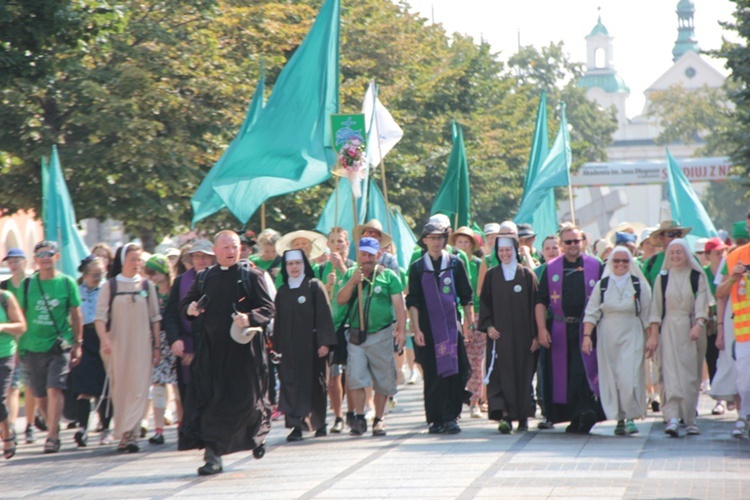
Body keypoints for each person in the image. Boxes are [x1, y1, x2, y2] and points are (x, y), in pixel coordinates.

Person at [179, 230, 274, 476]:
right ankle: (213, 457)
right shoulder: (204, 278)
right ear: (216, 251)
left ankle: (256, 436)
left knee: (247, 401)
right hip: (213, 353)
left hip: (245, 353)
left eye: (235, 247)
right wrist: (190, 308)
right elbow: (186, 304)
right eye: (226, 248)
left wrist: (249, 317)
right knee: (211, 403)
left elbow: (268, 307)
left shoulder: (251, 275)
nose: (231, 251)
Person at [535, 226, 605, 434]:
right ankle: (574, 416)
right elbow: (540, 300)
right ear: (561, 244)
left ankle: (587, 412)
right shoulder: (551, 268)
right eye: (568, 242)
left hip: (588, 329)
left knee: (584, 372)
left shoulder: (596, 266)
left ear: (583, 241)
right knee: (565, 374)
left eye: (577, 241)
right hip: (559, 329)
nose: (573, 245)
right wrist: (541, 329)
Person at [406, 220, 473, 434]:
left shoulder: (454, 263)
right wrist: (416, 330)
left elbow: (466, 297)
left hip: (452, 327)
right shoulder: (417, 267)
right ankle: (435, 418)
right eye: (432, 238)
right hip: (427, 328)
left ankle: (451, 417)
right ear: (424, 241)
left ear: (445, 239)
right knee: (433, 374)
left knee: (454, 370)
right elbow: (413, 301)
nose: (436, 242)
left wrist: (469, 325)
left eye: (439, 238)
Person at [95, 243, 161, 452]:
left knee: (140, 388)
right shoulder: (111, 286)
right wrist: (104, 340)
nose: (137, 263)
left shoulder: (146, 286)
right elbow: (99, 317)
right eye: (133, 259)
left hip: (142, 345)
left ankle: (132, 434)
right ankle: (123, 432)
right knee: (121, 389)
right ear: (123, 261)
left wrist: (157, 346)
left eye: (139, 259)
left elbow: (155, 318)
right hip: (117, 346)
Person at [19, 241, 83, 453]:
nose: (45, 257)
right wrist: (18, 347)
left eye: (49, 253)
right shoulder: (28, 284)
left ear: (56, 257)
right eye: (40, 254)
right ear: (35, 259)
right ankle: (51, 427)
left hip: (59, 345)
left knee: (55, 387)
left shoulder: (67, 283)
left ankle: (53, 436)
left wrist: (77, 342)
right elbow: (19, 314)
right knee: (40, 395)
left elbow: (75, 315)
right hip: (32, 345)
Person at [338, 237, 406, 436]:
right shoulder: (352, 273)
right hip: (356, 336)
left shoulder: (389, 277)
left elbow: (399, 306)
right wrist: (352, 282)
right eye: (363, 254)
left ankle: (379, 419)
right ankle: (359, 417)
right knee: (356, 377)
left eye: (370, 255)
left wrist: (401, 331)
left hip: (381, 334)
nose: (366, 259)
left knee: (383, 379)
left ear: (378, 255)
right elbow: (341, 300)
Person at [582, 246, 652, 436]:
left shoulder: (638, 284)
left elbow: (648, 314)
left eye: (624, 261)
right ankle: (620, 419)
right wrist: (587, 336)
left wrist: (652, 338)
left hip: (632, 333)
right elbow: (591, 312)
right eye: (616, 261)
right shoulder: (602, 285)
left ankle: (631, 417)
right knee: (613, 377)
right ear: (610, 263)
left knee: (629, 376)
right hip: (608, 335)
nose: (620, 264)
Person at [647, 239, 711, 437]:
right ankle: (672, 417)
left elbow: (702, 301)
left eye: (679, 252)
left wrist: (699, 324)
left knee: (690, 375)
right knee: (669, 372)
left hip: (690, 328)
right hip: (669, 329)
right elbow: (656, 308)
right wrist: (654, 335)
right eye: (672, 252)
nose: (675, 256)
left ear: (686, 254)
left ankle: (690, 418)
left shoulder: (696, 276)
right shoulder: (663, 278)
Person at [274, 250, 336, 441]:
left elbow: (324, 315)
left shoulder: (314, 286)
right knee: (291, 385)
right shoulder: (282, 291)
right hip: (289, 349)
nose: (294, 267)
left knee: (316, 386)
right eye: (290, 264)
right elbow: (278, 322)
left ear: (304, 265)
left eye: (297, 263)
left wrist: (325, 342)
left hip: (313, 347)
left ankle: (319, 423)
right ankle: (296, 426)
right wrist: (276, 347)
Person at [478, 235, 538, 433]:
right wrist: (489, 326)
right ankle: (504, 416)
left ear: (515, 251)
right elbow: (485, 304)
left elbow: (535, 307)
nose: (504, 254)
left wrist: (536, 335)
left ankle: (523, 417)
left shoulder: (527, 276)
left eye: (508, 250)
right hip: (500, 337)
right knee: (500, 375)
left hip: (524, 337)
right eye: (501, 251)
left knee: (523, 375)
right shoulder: (492, 275)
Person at [163, 240, 215, 404]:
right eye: (197, 256)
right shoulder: (180, 282)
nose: (201, 260)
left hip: (213, 347)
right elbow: (171, 314)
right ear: (191, 258)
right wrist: (175, 339)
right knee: (189, 399)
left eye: (205, 256)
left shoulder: (219, 278)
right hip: (187, 345)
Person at [69, 255, 113, 447]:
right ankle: (82, 428)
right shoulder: (77, 291)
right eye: (94, 274)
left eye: (101, 273)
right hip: (83, 338)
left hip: (104, 336)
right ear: (85, 275)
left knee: (105, 386)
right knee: (84, 387)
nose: (98, 277)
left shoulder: (108, 289)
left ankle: (105, 427)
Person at [716, 211, 750, 438]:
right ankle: (744, 416)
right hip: (744, 331)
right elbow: (719, 293)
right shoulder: (734, 256)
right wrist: (733, 277)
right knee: (745, 379)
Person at [320, 227, 354, 433]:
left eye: (340, 241)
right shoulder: (321, 268)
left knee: (351, 374)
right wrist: (326, 285)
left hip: (349, 325)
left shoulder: (352, 267)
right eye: (332, 241)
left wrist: (342, 268)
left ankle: (352, 412)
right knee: (333, 375)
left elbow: (360, 290)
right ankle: (338, 416)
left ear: (347, 244)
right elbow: (315, 295)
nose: (336, 245)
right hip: (329, 327)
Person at [449, 226, 485, 418]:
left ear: (472, 245)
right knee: (456, 360)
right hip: (455, 315)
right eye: (459, 242)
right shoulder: (451, 262)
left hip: (476, 314)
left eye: (466, 242)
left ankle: (475, 401)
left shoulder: (479, 264)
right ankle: (456, 400)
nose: (462, 246)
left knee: (476, 360)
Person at [1, 248, 34, 444]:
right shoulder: (6, 286)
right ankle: (10, 428)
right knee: (13, 388)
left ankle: (29, 424)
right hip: (13, 345)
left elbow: (22, 322)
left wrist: (3, 327)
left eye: (16, 261)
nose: (13, 265)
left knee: (30, 386)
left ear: (25, 262)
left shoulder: (32, 284)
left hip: (24, 344)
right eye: (10, 262)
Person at [144, 254, 177, 445]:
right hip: (156, 341)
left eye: (154, 272)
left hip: (174, 340)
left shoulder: (176, 289)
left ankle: (182, 425)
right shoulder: (150, 292)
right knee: (157, 386)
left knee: (178, 387)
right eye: (149, 273)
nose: (152, 277)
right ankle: (158, 429)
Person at [701, 237, 728, 415]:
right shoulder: (703, 274)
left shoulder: (728, 270)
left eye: (723, 252)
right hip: (709, 325)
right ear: (708, 255)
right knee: (712, 360)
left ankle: (729, 397)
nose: (721, 255)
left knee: (728, 360)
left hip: (729, 321)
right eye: (717, 253)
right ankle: (719, 399)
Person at [0, 283, 26, 458]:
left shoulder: (5, 297)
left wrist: (2, 327)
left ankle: (7, 434)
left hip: (4, 354)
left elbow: (21, 326)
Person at [642, 220, 692, 285]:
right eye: (671, 234)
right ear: (661, 238)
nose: (676, 237)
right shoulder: (651, 262)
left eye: (679, 234)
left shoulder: (691, 259)